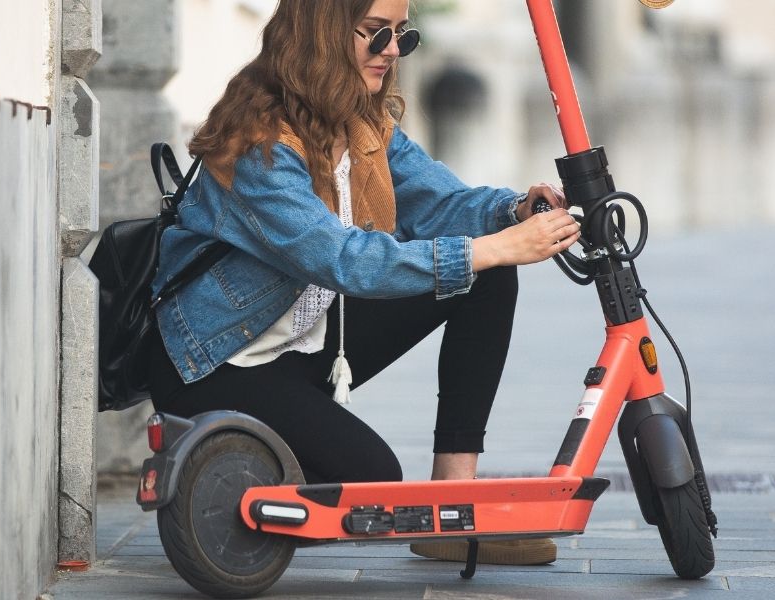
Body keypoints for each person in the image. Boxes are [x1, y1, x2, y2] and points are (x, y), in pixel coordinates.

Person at [148, 0, 581, 566]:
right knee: (372, 478)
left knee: (485, 275)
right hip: (218, 361)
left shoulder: (361, 123)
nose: (393, 51)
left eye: (403, 35)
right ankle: (228, 467)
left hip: (298, 343)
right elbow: (344, 260)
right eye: (377, 35)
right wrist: (494, 246)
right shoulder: (258, 145)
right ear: (323, 32)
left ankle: (451, 505)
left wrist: (515, 209)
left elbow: (440, 202)